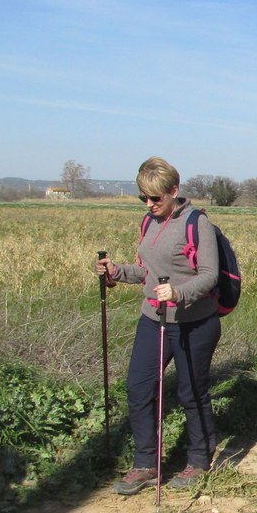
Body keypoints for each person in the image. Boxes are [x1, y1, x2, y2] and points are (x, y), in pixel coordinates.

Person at [95, 157, 221, 495]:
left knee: (190, 392)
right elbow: (148, 272)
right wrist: (116, 272)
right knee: (138, 388)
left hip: (194, 322)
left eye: (156, 198)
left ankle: (198, 459)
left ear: (174, 191)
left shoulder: (197, 223)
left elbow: (210, 275)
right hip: (154, 320)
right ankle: (146, 464)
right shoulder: (149, 223)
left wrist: (178, 292)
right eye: (143, 198)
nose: (149, 205)